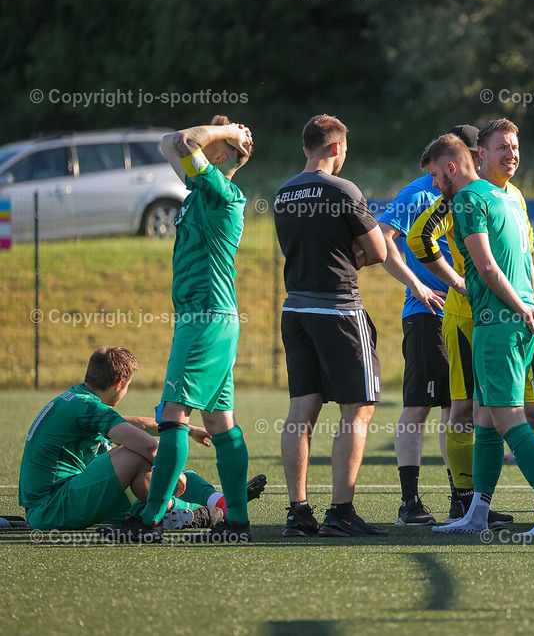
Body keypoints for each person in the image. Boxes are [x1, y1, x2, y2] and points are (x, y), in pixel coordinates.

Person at [103, 116, 256, 543]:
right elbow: (174, 142)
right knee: (221, 423)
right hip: (208, 320)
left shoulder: (221, 191)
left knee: (172, 416)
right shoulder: (202, 190)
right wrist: (222, 131)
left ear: (220, 155)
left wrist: (223, 133)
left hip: (205, 320)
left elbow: (187, 141)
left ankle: (150, 518)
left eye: (215, 144)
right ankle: (239, 523)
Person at [420, 133, 534, 536]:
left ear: (452, 168)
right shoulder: (506, 197)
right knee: (485, 421)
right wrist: (530, 312)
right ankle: (475, 513)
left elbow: (487, 267)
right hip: (517, 323)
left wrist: (521, 310)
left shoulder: (469, 199)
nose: (436, 185)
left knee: (509, 420)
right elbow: (525, 263)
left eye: (437, 176)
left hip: (497, 323)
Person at [274, 114, 388, 538]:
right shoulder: (344, 189)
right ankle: (340, 512)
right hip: (338, 309)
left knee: (301, 412)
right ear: (336, 147)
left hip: (295, 311)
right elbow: (376, 251)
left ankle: (298, 513)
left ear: (306, 146)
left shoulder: (283, 193)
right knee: (358, 408)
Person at [20, 347, 223, 533]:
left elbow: (135, 424)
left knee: (144, 457)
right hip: (52, 509)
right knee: (137, 453)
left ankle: (216, 502)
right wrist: (174, 471)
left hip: (51, 506)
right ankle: (189, 511)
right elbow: (147, 444)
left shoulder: (78, 399)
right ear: (119, 385)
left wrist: (187, 429)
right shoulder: (88, 407)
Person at [378, 131, 461, 525]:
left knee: (458, 408)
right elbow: (383, 239)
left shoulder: (471, 194)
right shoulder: (419, 193)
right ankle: (409, 504)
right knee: (418, 407)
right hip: (428, 315)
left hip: (462, 316)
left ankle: (461, 499)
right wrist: (417, 284)